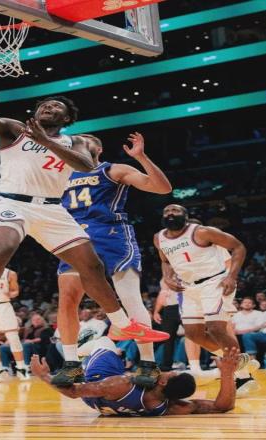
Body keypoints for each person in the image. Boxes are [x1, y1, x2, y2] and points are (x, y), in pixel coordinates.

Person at [0, 54, 169, 361]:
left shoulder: (77, 142)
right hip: (11, 201)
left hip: (52, 209)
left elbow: (85, 165)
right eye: (44, 105)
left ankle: (124, 325)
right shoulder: (14, 130)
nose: (48, 108)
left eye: (56, 107)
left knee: (91, 267)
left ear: (67, 118)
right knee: (2, 249)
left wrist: (47, 142)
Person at [55, 133, 172, 387]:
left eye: (83, 140)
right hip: (75, 238)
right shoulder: (60, 176)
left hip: (111, 236)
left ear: (98, 149)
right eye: (74, 141)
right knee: (67, 299)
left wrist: (141, 157)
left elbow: (163, 188)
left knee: (130, 298)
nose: (76, 143)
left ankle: (148, 363)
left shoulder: (113, 170)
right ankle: (72, 364)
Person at [154, 204, 259, 391]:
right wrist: (167, 277)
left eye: (175, 211)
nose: (170, 213)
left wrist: (231, 277)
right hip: (188, 287)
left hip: (214, 283)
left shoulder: (202, 232)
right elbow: (166, 261)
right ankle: (239, 360)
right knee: (193, 334)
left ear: (185, 216)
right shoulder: (159, 238)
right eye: (166, 211)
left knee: (216, 328)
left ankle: (244, 377)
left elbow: (238, 247)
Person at [31, 341, 241, 416]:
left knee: (104, 343)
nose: (165, 371)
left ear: (163, 381)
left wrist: (44, 376)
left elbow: (73, 392)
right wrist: (227, 374)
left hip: (100, 385)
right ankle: (103, 353)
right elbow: (223, 406)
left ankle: (77, 350)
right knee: (118, 355)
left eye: (169, 373)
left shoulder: (121, 384)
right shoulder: (172, 407)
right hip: (104, 404)